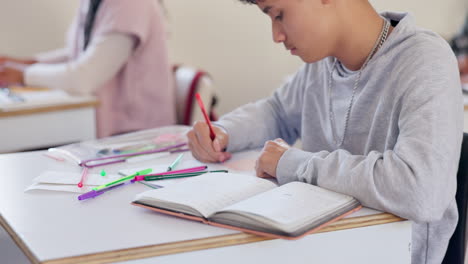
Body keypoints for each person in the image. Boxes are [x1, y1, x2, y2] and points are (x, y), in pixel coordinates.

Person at [186, 0, 463, 263]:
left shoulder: (425, 61)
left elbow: (420, 190)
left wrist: (294, 164)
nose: (276, 35)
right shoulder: (324, 63)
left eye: (279, 14)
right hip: (318, 245)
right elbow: (277, 111)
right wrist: (224, 131)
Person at [0, 0, 176, 138]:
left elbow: (84, 78)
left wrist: (24, 74)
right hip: (104, 131)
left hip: (137, 138)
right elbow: (81, 53)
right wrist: (29, 63)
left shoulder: (131, 3)